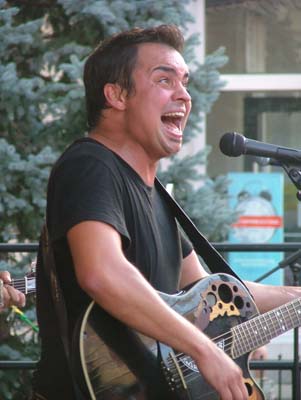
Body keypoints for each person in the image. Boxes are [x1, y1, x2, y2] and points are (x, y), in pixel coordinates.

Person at [30, 24, 301, 400]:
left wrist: (297, 296)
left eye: (185, 81)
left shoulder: (155, 195)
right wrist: (204, 349)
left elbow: (208, 291)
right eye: (164, 80)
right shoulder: (90, 165)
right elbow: (102, 272)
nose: (184, 95)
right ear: (116, 95)